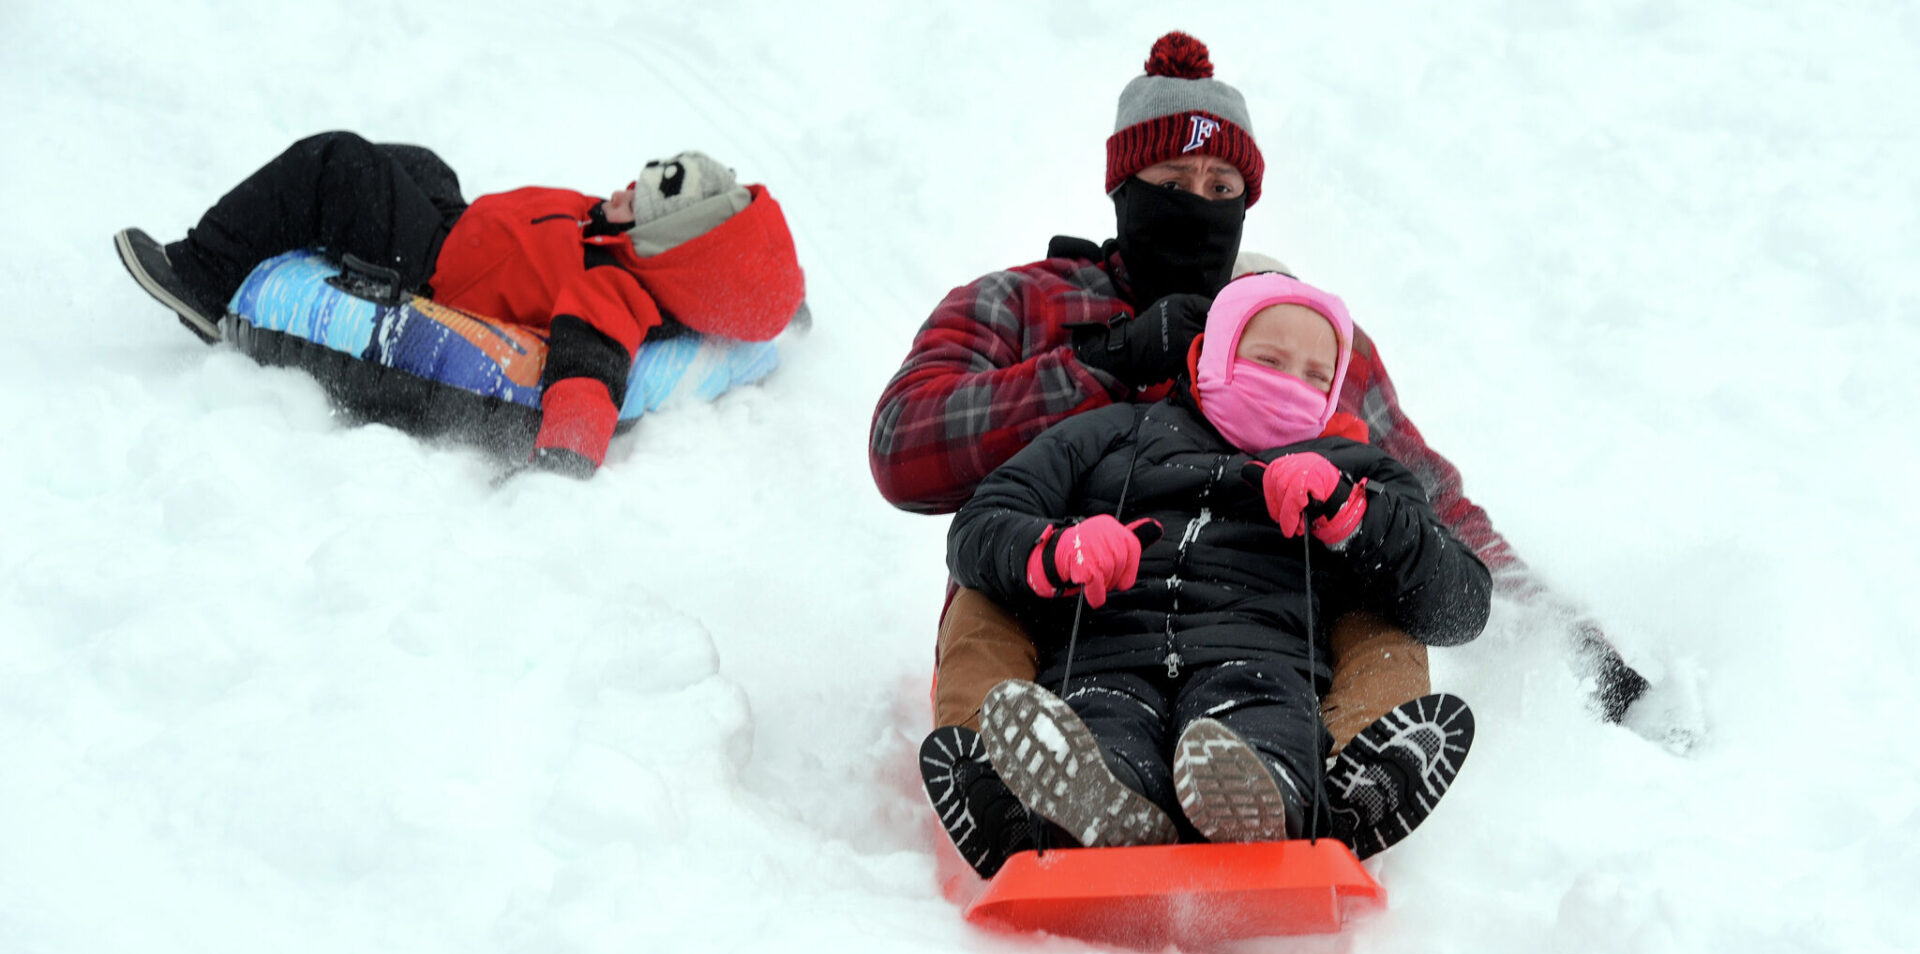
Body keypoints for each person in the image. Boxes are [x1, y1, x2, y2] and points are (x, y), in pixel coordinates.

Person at [871, 31, 1647, 770]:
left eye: (1220, 187)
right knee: (987, 589)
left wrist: (1562, 638)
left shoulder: (1300, 338)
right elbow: (905, 448)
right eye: (1172, 184)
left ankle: (1348, 771)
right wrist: (1108, 361)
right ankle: (1006, 764)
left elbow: (1429, 505)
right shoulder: (1020, 303)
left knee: (1374, 579)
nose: (1196, 202)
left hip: (1259, 646)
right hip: (1066, 620)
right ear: (1123, 190)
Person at [927, 274, 1488, 875]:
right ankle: (1099, 808)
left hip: (1262, 659)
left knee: (1256, 727)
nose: (1288, 385)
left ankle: (1268, 799)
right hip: (1108, 650)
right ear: (1213, 354)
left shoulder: (1357, 469)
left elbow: (1461, 606)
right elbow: (982, 521)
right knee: (1104, 728)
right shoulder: (1109, 434)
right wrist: (1059, 548)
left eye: (1315, 377)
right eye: (1267, 360)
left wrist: (1356, 515)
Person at [116, 131, 805, 477]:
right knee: (416, 163)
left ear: (664, 244)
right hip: (459, 225)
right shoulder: (630, 244)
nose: (623, 190)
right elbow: (742, 279)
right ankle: (287, 225)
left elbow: (588, 372)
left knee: (334, 163)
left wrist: (565, 459)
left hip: (432, 270)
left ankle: (201, 277)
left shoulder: (614, 288)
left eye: (640, 201)